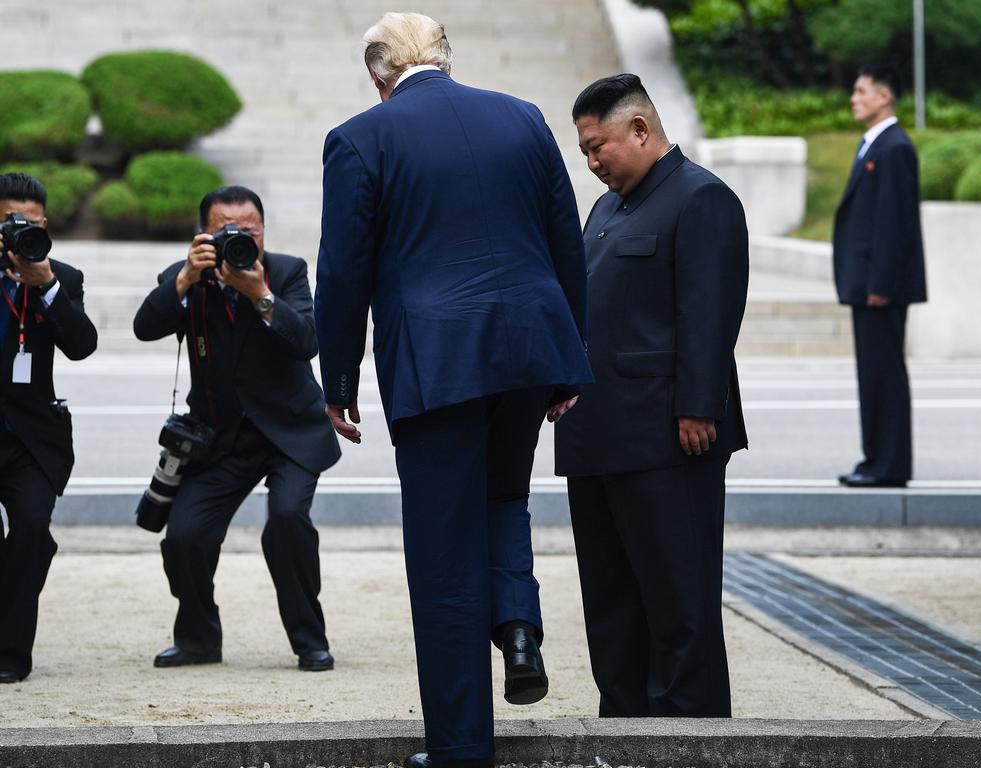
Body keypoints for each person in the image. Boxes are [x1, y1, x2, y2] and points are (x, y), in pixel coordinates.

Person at [315, 13, 592, 768]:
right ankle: (521, 628)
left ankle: (462, 746)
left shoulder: (361, 138)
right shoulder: (524, 118)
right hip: (531, 350)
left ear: (379, 77)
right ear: (443, 57)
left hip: (437, 361)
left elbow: (342, 272)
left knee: (441, 552)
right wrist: (569, 360)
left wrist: (338, 378)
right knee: (505, 499)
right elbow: (566, 240)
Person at [553, 74, 748, 718]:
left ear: (640, 129)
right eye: (583, 150)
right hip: (597, 435)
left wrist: (699, 404)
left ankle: (690, 729)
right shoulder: (606, 210)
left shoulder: (701, 199)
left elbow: (710, 312)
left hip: (668, 436)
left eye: (596, 145)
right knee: (610, 598)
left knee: (678, 597)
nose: (592, 161)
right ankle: (624, 721)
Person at [133, 185, 340, 672]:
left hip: (288, 432)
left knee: (287, 522)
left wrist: (260, 295)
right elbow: (144, 326)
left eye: (248, 230)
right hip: (219, 436)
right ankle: (198, 637)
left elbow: (306, 342)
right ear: (203, 233)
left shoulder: (287, 272)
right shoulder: (189, 277)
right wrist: (185, 277)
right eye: (225, 230)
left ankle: (309, 639)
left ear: (263, 231)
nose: (237, 238)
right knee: (184, 537)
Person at [0, 172, 98, 683]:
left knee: (32, 529)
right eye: (11, 223)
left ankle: (12, 656)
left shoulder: (62, 276)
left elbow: (82, 345)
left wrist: (48, 287)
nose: (22, 233)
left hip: (33, 439)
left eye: (33, 224)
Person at [834, 64, 927, 489]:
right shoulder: (874, 144)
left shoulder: (893, 148)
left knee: (883, 376)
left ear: (884, 96)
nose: (854, 98)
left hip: (879, 289)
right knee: (873, 376)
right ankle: (876, 460)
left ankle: (887, 466)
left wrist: (880, 286)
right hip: (868, 285)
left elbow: (895, 223)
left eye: (861, 91)